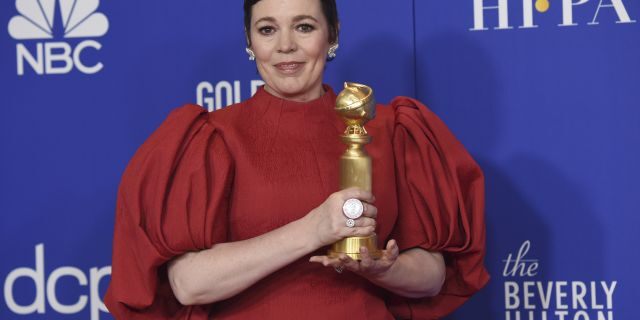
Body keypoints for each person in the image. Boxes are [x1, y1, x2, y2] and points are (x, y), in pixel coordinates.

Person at [104, 0, 489, 319]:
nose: (285, 45)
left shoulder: (391, 129)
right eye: (267, 29)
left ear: (332, 33)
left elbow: (433, 277)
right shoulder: (211, 138)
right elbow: (189, 284)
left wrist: (385, 269)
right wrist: (314, 230)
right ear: (249, 40)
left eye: (304, 27)